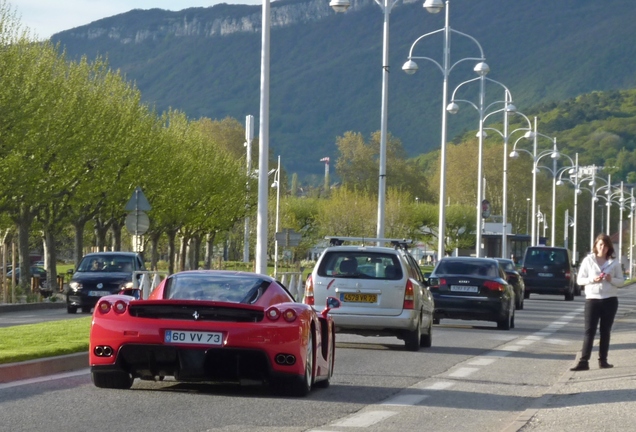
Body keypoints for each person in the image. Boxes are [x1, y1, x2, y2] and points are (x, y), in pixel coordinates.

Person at [570, 233, 624, 371]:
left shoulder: (614, 263)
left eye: (605, 246)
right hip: (592, 299)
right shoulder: (588, 261)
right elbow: (579, 280)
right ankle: (584, 361)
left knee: (605, 331)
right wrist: (592, 280)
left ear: (609, 248)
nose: (603, 248)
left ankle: (603, 360)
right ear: (596, 245)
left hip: (609, 300)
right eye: (600, 245)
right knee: (589, 331)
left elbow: (621, 282)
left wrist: (611, 279)